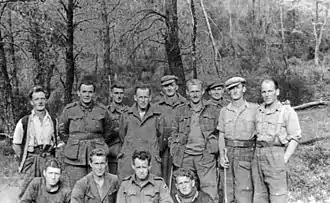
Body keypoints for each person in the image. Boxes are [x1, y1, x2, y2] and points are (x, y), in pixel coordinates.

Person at [252, 79, 301, 203]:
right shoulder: (258, 111)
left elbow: (295, 137)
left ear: (277, 92)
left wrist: (284, 158)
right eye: (264, 92)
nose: (267, 95)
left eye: (270, 91)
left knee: (277, 197)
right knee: (259, 196)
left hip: (276, 155)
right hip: (258, 155)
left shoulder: (287, 111)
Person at [59, 75, 112, 188]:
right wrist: (74, 142)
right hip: (75, 158)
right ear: (78, 93)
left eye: (90, 92)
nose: (87, 95)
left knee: (98, 189)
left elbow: (108, 130)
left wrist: (99, 142)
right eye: (84, 91)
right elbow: (62, 131)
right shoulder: (69, 110)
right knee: (78, 189)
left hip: (97, 155)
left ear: (93, 93)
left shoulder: (102, 110)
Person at [170, 79, 219, 202]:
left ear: (202, 91)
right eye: (192, 92)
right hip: (185, 157)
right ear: (187, 92)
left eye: (197, 91)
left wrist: (211, 150)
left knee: (209, 192)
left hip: (205, 157)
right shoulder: (180, 110)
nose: (195, 94)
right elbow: (174, 132)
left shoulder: (213, 110)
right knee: (184, 192)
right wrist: (175, 149)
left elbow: (219, 133)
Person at [217, 77, 259, 203]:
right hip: (228, 152)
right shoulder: (224, 111)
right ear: (228, 92)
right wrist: (222, 155)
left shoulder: (255, 109)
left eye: (237, 87)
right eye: (231, 89)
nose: (234, 91)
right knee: (227, 191)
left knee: (244, 192)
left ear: (244, 89)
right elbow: (221, 134)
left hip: (246, 153)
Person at [12, 86, 58, 198]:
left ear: (46, 100)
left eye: (42, 98)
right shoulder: (24, 121)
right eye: (36, 99)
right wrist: (26, 158)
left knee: (48, 190)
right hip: (31, 159)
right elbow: (16, 144)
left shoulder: (53, 121)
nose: (40, 102)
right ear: (32, 102)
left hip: (47, 159)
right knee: (26, 190)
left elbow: (56, 142)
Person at [118, 85, 164, 180]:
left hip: (151, 156)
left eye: (145, 97)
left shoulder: (157, 115)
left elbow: (162, 138)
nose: (143, 100)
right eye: (140, 97)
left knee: (154, 185)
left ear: (150, 98)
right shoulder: (126, 114)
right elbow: (122, 135)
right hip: (130, 156)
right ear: (135, 98)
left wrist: (153, 149)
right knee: (127, 186)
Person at [156, 75, 186, 187]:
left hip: (181, 148)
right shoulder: (157, 106)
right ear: (163, 89)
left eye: (171, 85)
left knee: (181, 177)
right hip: (163, 149)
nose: (169, 88)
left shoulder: (185, 104)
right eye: (166, 86)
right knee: (163, 178)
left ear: (176, 87)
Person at [107, 82, 128, 174]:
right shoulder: (106, 112)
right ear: (111, 94)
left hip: (127, 153)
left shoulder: (130, 111)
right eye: (116, 93)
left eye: (121, 93)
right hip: (112, 153)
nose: (119, 96)